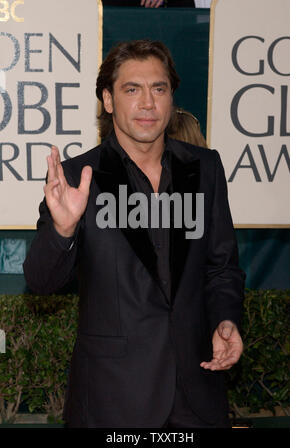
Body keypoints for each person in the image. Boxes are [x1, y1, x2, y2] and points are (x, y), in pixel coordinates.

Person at [23, 39, 245, 428]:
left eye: (158, 89)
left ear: (171, 98)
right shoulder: (78, 177)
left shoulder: (205, 168)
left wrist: (226, 319)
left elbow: (222, 266)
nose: (148, 103)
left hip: (197, 395)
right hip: (114, 399)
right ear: (108, 100)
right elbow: (41, 281)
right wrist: (63, 228)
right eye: (132, 89)